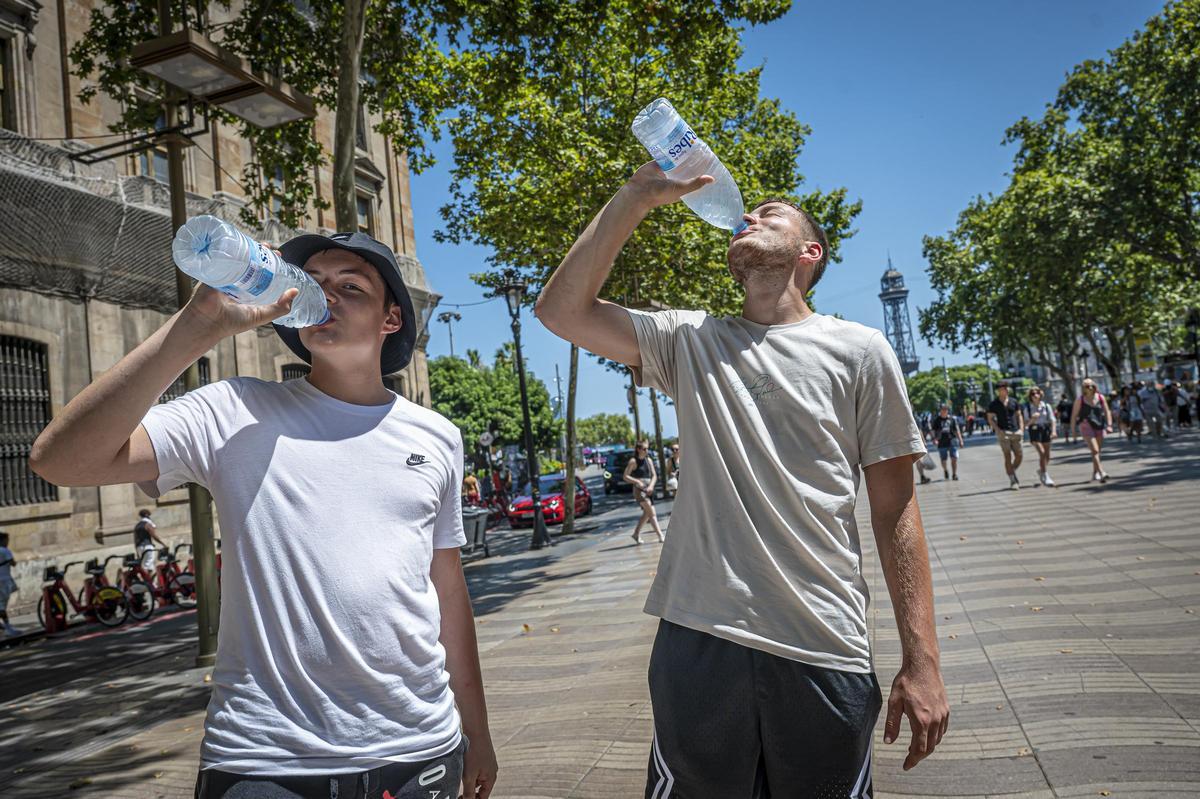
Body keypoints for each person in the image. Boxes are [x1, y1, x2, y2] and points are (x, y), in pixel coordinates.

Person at [31, 231, 497, 799]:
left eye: (350, 286)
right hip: (267, 759)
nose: (327, 297)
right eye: (315, 284)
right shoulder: (234, 409)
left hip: (420, 747)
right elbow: (60, 460)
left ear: (391, 318)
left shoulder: (437, 435)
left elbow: (446, 587)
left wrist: (477, 727)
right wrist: (195, 329)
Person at [537, 164, 948, 795]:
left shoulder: (860, 350)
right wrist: (637, 196)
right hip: (699, 640)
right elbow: (561, 310)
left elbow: (896, 511)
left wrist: (922, 662)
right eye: (748, 213)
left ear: (810, 253)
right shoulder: (691, 339)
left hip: (824, 641)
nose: (750, 215)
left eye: (773, 212)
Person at [1071, 378, 1114, 483]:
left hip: (1099, 424)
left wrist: (1109, 425)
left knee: (1097, 451)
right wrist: (1074, 433)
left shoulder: (1100, 397)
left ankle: (1095, 473)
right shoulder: (1080, 400)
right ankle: (1101, 472)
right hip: (1085, 425)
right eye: (1086, 386)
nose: (1089, 387)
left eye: (1091, 385)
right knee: (1094, 450)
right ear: (1083, 388)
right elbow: (1074, 416)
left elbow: (1107, 411)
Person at [624, 441, 665, 544]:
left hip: (649, 489)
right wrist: (637, 481)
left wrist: (651, 486)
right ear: (638, 449)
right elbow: (625, 476)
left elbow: (654, 475)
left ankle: (636, 533)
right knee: (652, 512)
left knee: (647, 513)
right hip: (640, 491)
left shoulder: (648, 460)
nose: (646, 451)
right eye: (644, 449)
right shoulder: (633, 461)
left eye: (647, 449)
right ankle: (660, 535)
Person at [987, 381, 1025, 490]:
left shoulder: (1014, 401)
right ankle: (1013, 480)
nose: (1006, 390)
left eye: (1006, 388)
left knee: (1019, 455)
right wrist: (997, 430)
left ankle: (1011, 471)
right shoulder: (993, 404)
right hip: (1003, 433)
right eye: (1003, 388)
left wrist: (1022, 428)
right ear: (999, 391)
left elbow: (1019, 415)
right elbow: (990, 418)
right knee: (1007, 456)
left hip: (1016, 431)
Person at [1021, 387, 1057, 487]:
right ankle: (1045, 476)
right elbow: (1025, 424)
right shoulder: (1027, 407)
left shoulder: (1046, 406)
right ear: (1030, 396)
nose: (1035, 395)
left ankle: (1041, 470)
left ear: (1041, 394)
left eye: (1037, 393)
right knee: (1042, 453)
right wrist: (1032, 419)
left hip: (1045, 429)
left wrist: (1054, 431)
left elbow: (1052, 419)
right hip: (1034, 430)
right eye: (1033, 394)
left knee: (1047, 456)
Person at [931, 404, 963, 481]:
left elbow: (956, 430)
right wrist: (934, 439)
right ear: (940, 410)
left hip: (952, 441)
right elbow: (933, 431)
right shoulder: (937, 420)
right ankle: (945, 470)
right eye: (943, 409)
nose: (945, 411)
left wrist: (960, 440)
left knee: (954, 458)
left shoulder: (952, 419)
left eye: (946, 409)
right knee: (943, 460)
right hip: (941, 442)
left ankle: (954, 474)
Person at [0, 532, 20, 637]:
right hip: (3, 580)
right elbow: (13, 563)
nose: (8, 542)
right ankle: (8, 627)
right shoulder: (5, 551)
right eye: (7, 540)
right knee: (2, 606)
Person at [133, 509, 166, 573]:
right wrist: (163, 544)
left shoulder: (137, 526)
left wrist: (136, 551)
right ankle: (147, 581)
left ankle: (148, 581)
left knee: (145, 565)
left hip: (139, 547)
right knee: (148, 567)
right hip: (147, 546)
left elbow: (135, 539)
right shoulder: (148, 524)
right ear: (147, 515)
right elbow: (154, 536)